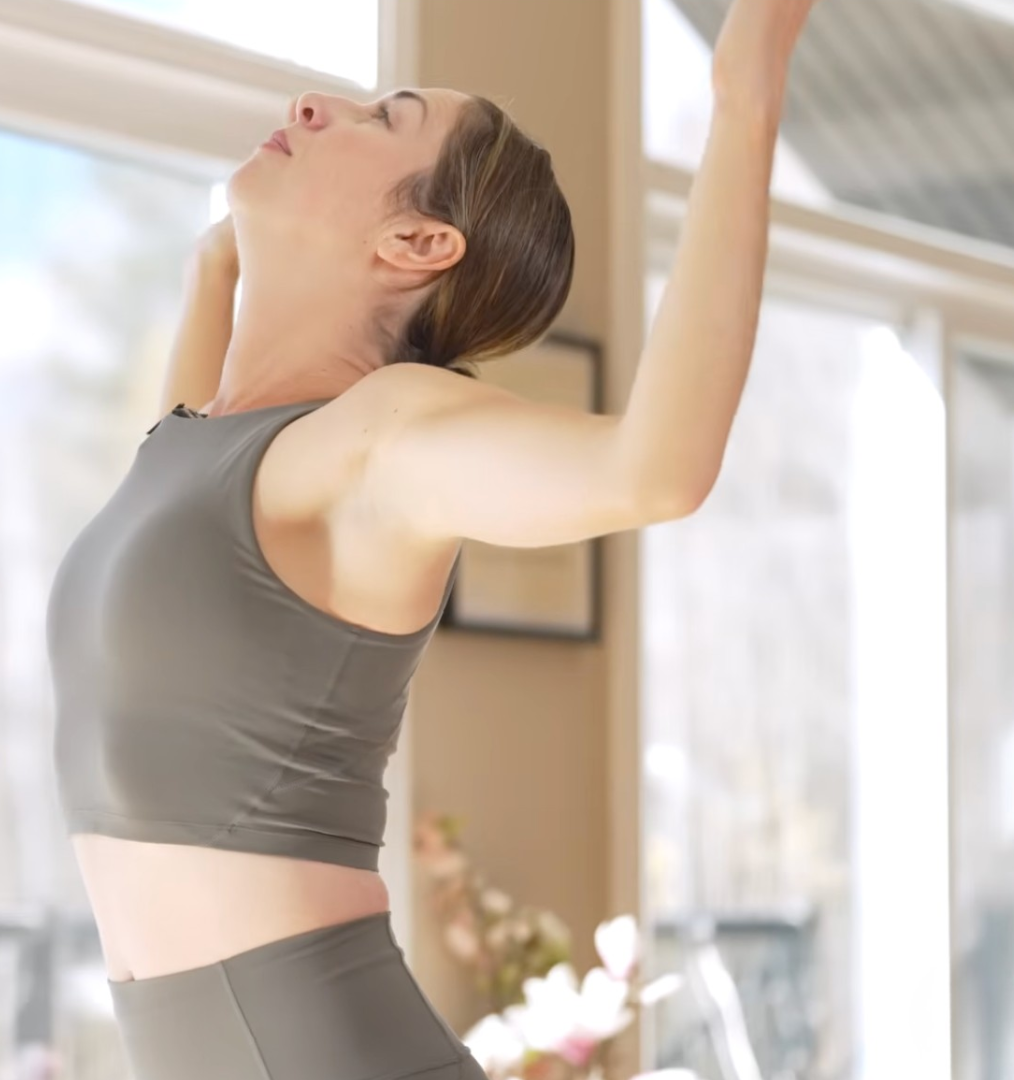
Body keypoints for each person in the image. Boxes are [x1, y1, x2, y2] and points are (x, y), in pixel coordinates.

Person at [45, 1, 821, 1077]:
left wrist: (745, 89)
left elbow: (657, 470)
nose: (314, 106)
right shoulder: (197, 442)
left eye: (380, 117)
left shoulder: (385, 434)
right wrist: (216, 268)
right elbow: (184, 453)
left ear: (418, 243)